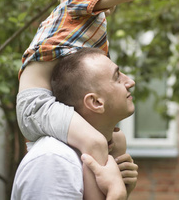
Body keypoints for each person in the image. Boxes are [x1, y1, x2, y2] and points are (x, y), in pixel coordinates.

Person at [16, 0, 179, 198]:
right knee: (96, 143)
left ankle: (114, 185)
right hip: (37, 105)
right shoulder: (75, 5)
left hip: (56, 103)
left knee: (117, 141)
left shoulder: (90, 27)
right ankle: (103, 193)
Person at [12, 48, 139, 200]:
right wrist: (116, 193)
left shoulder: (104, 154)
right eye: (117, 77)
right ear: (96, 102)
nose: (130, 82)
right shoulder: (54, 161)